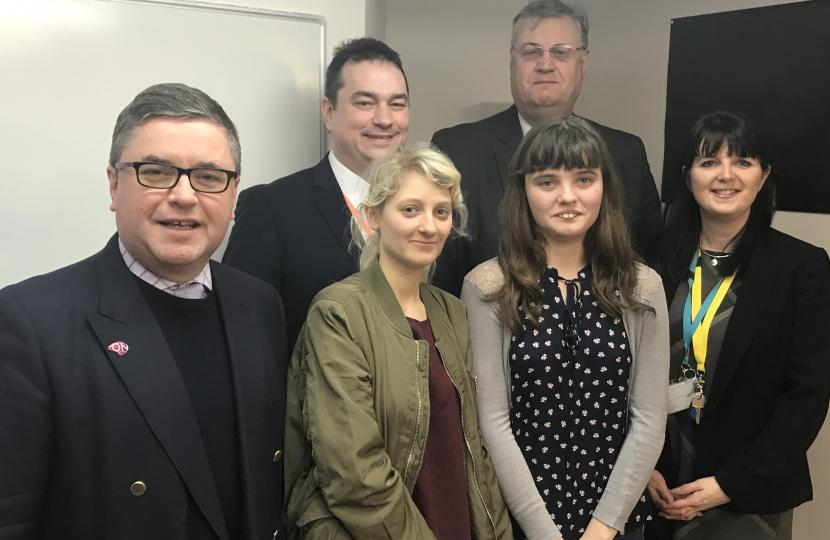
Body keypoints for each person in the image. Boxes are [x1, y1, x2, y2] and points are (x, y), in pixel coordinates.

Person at [0, 83, 285, 539]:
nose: (184, 195)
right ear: (114, 185)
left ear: (234, 194)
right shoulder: (29, 322)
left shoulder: (259, 304)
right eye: (156, 172)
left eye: (209, 176)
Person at [283, 143, 512, 539]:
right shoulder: (338, 312)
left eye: (441, 212)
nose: (429, 226)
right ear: (373, 216)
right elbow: (353, 472)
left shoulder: (453, 313)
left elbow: (475, 452)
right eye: (410, 209)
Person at [462, 117, 669, 540]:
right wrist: (544, 533)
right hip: (520, 524)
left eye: (584, 179)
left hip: (617, 524)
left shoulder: (642, 287)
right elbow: (492, 423)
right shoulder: (487, 286)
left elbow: (649, 419)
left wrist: (603, 528)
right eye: (547, 182)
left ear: (604, 188)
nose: (568, 197)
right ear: (523, 191)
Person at [645, 111, 830, 540]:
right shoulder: (652, 261)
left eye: (742, 161)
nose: (725, 175)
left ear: (763, 176)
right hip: (655, 486)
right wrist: (641, 468)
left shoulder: (801, 267)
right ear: (688, 175)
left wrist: (729, 484)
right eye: (709, 161)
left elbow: (808, 394)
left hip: (749, 493)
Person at [432, 0, 661, 296]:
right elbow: (436, 279)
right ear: (512, 62)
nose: (545, 64)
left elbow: (645, 267)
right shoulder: (455, 151)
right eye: (531, 52)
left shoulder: (626, 154)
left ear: (583, 63)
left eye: (560, 52)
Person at [223, 37, 410, 351]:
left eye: (397, 104)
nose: (384, 119)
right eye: (365, 103)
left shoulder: (432, 213)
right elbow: (243, 336)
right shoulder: (271, 209)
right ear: (329, 112)